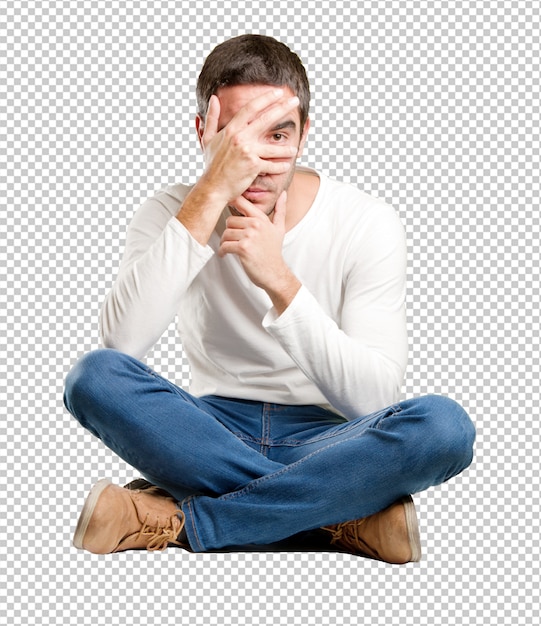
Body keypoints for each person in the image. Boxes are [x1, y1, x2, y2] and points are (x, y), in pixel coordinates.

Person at [64, 34, 475, 564]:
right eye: (238, 138)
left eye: (277, 134)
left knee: (445, 428)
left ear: (304, 134)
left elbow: (376, 401)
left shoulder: (366, 221)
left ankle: (183, 519)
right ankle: (339, 514)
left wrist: (279, 280)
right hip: (205, 431)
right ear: (204, 133)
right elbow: (122, 346)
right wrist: (209, 195)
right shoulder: (169, 210)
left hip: (332, 439)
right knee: (92, 378)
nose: (256, 161)